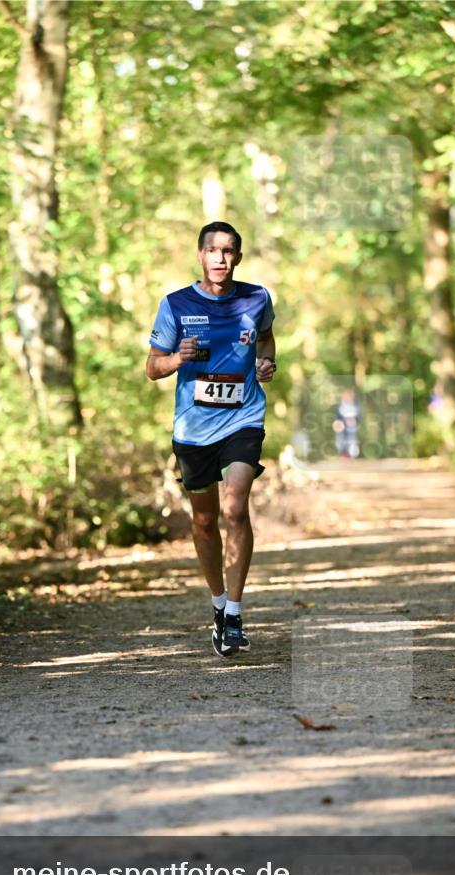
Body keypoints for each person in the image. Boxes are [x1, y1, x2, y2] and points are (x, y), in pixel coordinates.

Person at [146, 221, 276, 657]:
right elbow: (152, 367)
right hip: (193, 428)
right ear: (200, 255)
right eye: (213, 250)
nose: (220, 258)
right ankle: (219, 603)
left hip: (243, 417)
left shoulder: (257, 298)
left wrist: (266, 363)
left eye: (229, 250)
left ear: (238, 257)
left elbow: (266, 339)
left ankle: (235, 615)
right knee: (205, 520)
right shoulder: (176, 304)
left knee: (235, 509)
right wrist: (176, 358)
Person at [332, 387, 361, 460]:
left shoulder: (356, 404)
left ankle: (351, 455)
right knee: (341, 440)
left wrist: (356, 422)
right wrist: (337, 423)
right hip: (342, 426)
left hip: (352, 426)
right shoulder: (340, 404)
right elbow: (337, 416)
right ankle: (344, 454)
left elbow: (359, 415)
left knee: (351, 440)